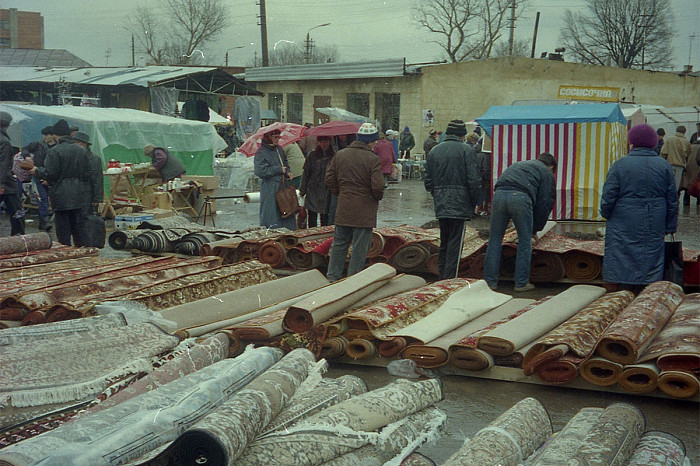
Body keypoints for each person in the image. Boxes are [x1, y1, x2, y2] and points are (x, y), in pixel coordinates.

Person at [600, 124, 677, 289]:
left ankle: (623, 289)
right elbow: (672, 199)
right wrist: (670, 225)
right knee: (651, 252)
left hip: (623, 218)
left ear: (632, 141)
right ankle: (649, 288)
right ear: (653, 141)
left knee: (622, 250)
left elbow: (608, 195)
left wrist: (606, 213)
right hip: (655, 217)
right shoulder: (664, 166)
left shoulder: (620, 165)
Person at [483, 152, 557, 292]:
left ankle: (490, 283)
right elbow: (544, 204)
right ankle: (521, 283)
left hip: (498, 196)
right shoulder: (546, 173)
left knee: (494, 240)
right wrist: (534, 230)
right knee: (524, 242)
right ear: (551, 167)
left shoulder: (519, 164)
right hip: (520, 198)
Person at [325, 122, 384, 282]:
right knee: (359, 247)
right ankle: (353, 280)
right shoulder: (373, 159)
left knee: (339, 244)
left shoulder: (341, 155)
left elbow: (329, 179)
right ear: (370, 141)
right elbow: (378, 186)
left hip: (344, 206)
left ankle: (332, 277)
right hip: (364, 210)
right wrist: (375, 197)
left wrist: (341, 192)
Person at [424, 119, 481, 279]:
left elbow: (428, 181)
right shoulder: (466, 150)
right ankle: (449, 279)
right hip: (460, 202)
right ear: (463, 135)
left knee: (445, 240)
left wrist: (438, 193)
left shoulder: (435, 150)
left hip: (441, 202)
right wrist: (473, 202)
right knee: (455, 243)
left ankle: (442, 275)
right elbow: (474, 181)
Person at [30, 119, 91, 246]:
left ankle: (65, 255)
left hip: (61, 195)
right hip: (79, 194)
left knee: (63, 229)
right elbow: (88, 174)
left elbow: (50, 174)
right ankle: (85, 253)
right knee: (79, 227)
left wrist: (36, 170)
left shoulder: (54, 151)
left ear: (56, 135)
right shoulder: (81, 151)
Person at [254, 129, 297, 230]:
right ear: (268, 137)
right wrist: (278, 169)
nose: (278, 140)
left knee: (287, 212)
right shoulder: (261, 152)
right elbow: (260, 171)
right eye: (275, 137)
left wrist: (288, 171)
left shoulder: (279, 149)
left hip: (283, 186)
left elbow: (285, 163)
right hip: (270, 189)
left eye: (279, 137)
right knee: (272, 215)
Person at [0, 111, 25, 236]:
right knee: (16, 210)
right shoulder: (4, 141)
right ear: (7, 125)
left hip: (3, 181)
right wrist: (2, 183)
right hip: (6, 183)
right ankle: (18, 237)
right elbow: (4, 164)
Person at [300, 136, 334, 227]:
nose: (323, 144)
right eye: (321, 141)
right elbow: (306, 173)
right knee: (312, 219)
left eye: (326, 141)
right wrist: (302, 191)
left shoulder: (334, 156)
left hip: (327, 191)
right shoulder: (312, 155)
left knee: (325, 219)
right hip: (313, 190)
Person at [73, 132, 104, 214]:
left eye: (78, 142)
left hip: (88, 193)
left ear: (85, 144)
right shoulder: (72, 157)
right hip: (74, 192)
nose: (76, 145)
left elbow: (97, 179)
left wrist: (97, 198)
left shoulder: (94, 159)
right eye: (75, 142)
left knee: (86, 218)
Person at [660, 125, 691, 191]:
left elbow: (663, 152)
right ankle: (674, 199)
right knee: (676, 186)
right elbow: (688, 154)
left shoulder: (669, 139)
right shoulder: (686, 142)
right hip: (680, 166)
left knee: (668, 183)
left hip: (669, 164)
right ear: (684, 132)